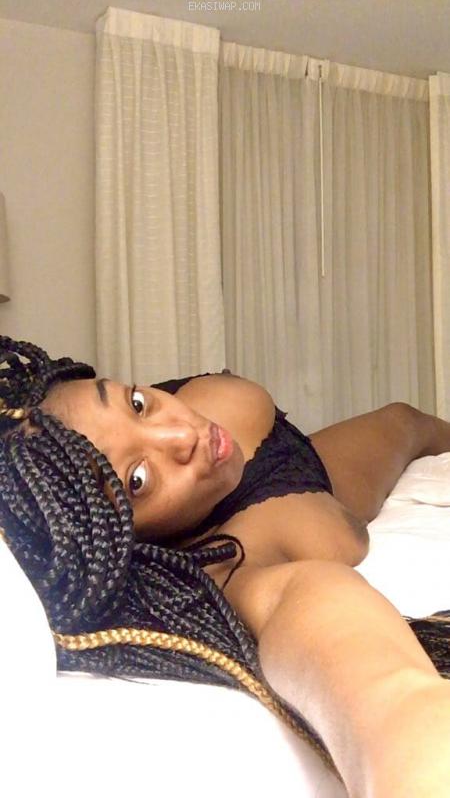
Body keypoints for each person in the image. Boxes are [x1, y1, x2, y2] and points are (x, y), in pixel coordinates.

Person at [1, 334, 450, 797]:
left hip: (278, 451)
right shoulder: (234, 565)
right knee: (404, 423)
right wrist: (407, 733)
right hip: (310, 496)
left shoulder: (169, 425)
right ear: (120, 542)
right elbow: (315, 614)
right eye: (138, 480)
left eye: (136, 404)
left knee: (405, 417)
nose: (181, 435)